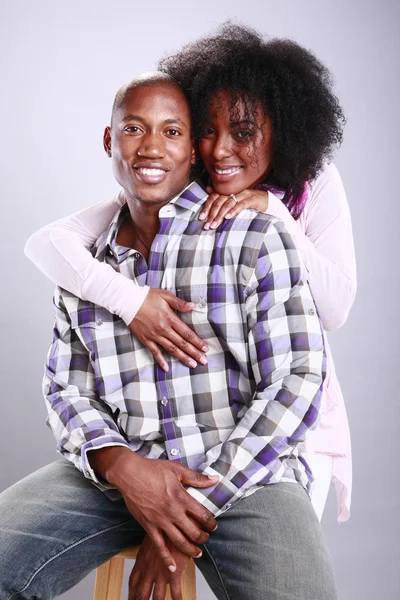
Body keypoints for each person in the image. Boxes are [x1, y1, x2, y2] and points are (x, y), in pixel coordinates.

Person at [0, 72, 337, 600]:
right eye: (134, 128)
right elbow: (67, 390)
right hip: (117, 478)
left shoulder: (255, 237)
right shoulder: (84, 265)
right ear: (109, 141)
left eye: (172, 131)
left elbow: (297, 379)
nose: (151, 146)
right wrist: (124, 468)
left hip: (246, 476)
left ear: (192, 150)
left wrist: (189, 513)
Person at [24, 23, 356, 522]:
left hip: (293, 419)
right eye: (207, 129)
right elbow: (51, 242)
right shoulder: (186, 172)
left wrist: (273, 213)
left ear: (283, 132)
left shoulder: (311, 185)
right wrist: (133, 302)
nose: (221, 150)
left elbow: (334, 310)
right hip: (171, 430)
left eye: (244, 133)